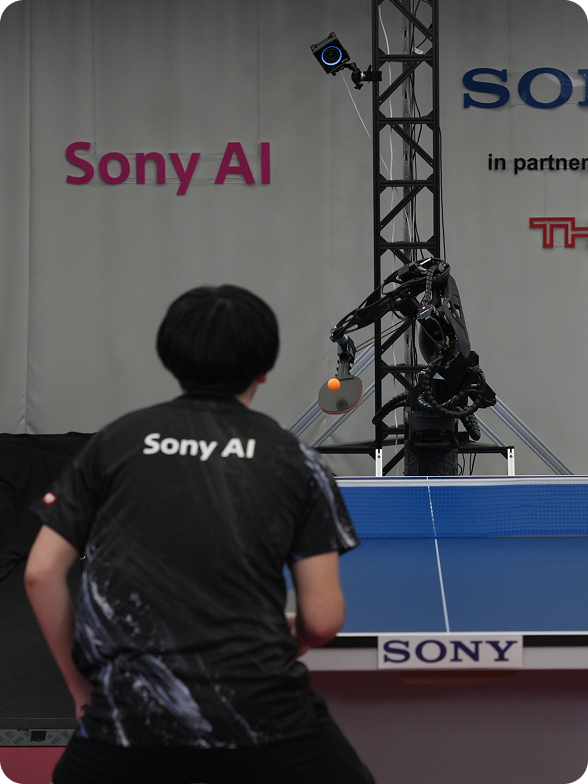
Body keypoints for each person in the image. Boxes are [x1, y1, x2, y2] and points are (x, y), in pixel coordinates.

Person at [24, 284, 375, 784]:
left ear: (171, 361)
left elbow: (39, 574)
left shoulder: (115, 443)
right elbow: (322, 620)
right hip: (264, 723)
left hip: (124, 725)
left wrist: (83, 691)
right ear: (264, 369)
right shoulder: (295, 460)